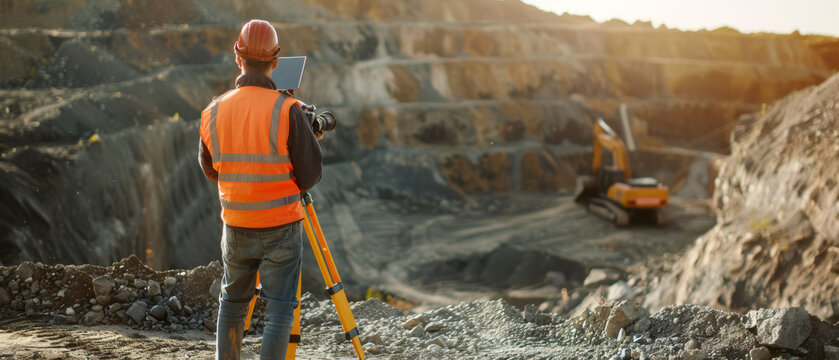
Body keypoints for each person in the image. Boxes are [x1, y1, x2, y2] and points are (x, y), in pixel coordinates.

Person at [198, 19, 323, 360]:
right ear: (275, 60)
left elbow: (211, 169)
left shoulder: (213, 110)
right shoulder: (288, 109)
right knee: (280, 309)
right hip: (281, 227)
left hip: (236, 226)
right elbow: (310, 175)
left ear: (238, 58)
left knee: (233, 303)